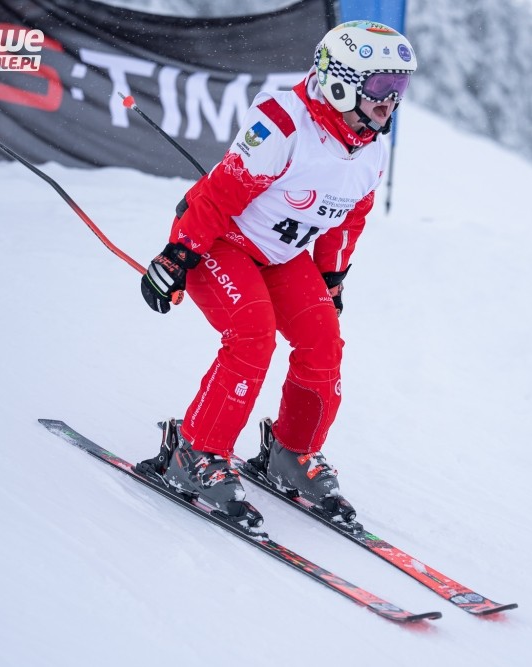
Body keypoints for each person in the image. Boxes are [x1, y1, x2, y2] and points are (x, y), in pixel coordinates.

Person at [134, 21, 417, 529]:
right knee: (252, 335)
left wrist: (331, 278)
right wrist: (177, 257)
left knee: (323, 341)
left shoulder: (371, 149)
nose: (390, 101)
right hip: (220, 241)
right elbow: (220, 194)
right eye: (380, 85)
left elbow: (347, 218)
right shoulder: (283, 124)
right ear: (340, 81)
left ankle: (291, 453)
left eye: (399, 87)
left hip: (281, 255)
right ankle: (194, 452)